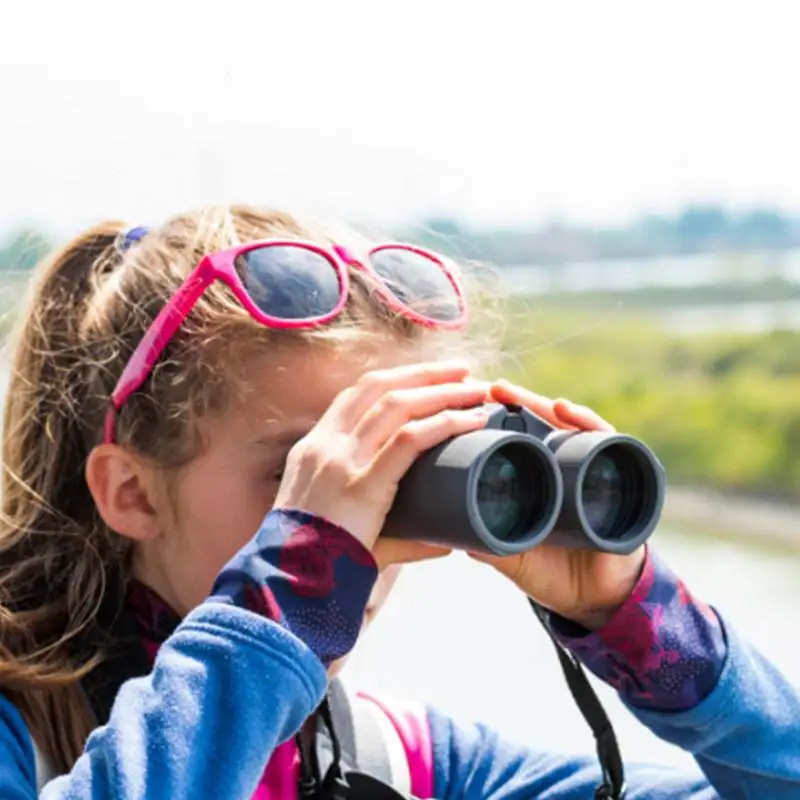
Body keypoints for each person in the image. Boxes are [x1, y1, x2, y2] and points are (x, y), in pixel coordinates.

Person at [0, 206, 797, 800]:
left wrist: (650, 630)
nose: (356, 532)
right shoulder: (23, 742)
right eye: (307, 474)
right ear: (132, 492)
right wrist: (285, 598)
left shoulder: (399, 762)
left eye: (400, 471)